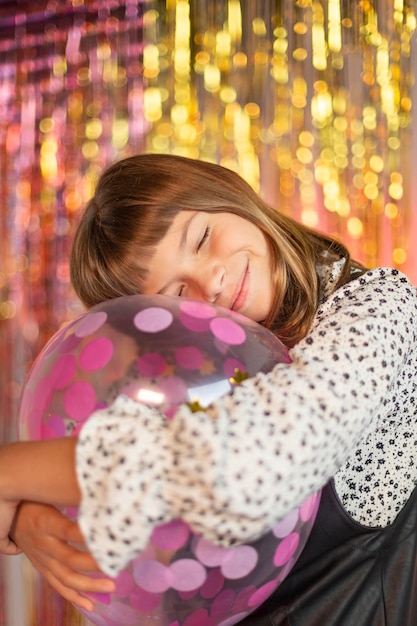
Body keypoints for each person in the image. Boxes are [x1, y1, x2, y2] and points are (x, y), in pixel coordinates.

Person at [1, 154, 416, 624]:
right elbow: (148, 529)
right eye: (176, 294)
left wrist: (10, 473)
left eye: (201, 238)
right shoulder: (195, 385)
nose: (211, 281)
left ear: (229, 196)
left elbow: (243, 465)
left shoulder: (378, 309)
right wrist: (29, 517)